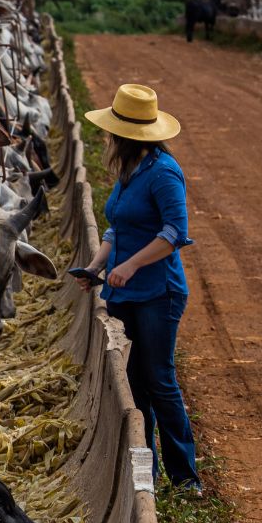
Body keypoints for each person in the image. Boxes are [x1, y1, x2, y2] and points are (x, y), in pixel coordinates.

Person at [78, 83, 201, 492]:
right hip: (128, 292)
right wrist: (96, 266)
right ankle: (145, 469)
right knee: (135, 379)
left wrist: (129, 265)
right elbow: (118, 225)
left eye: (111, 131)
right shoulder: (130, 174)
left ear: (123, 136)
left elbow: (174, 232)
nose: (107, 138)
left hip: (158, 292)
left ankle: (186, 476)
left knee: (159, 379)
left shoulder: (164, 173)